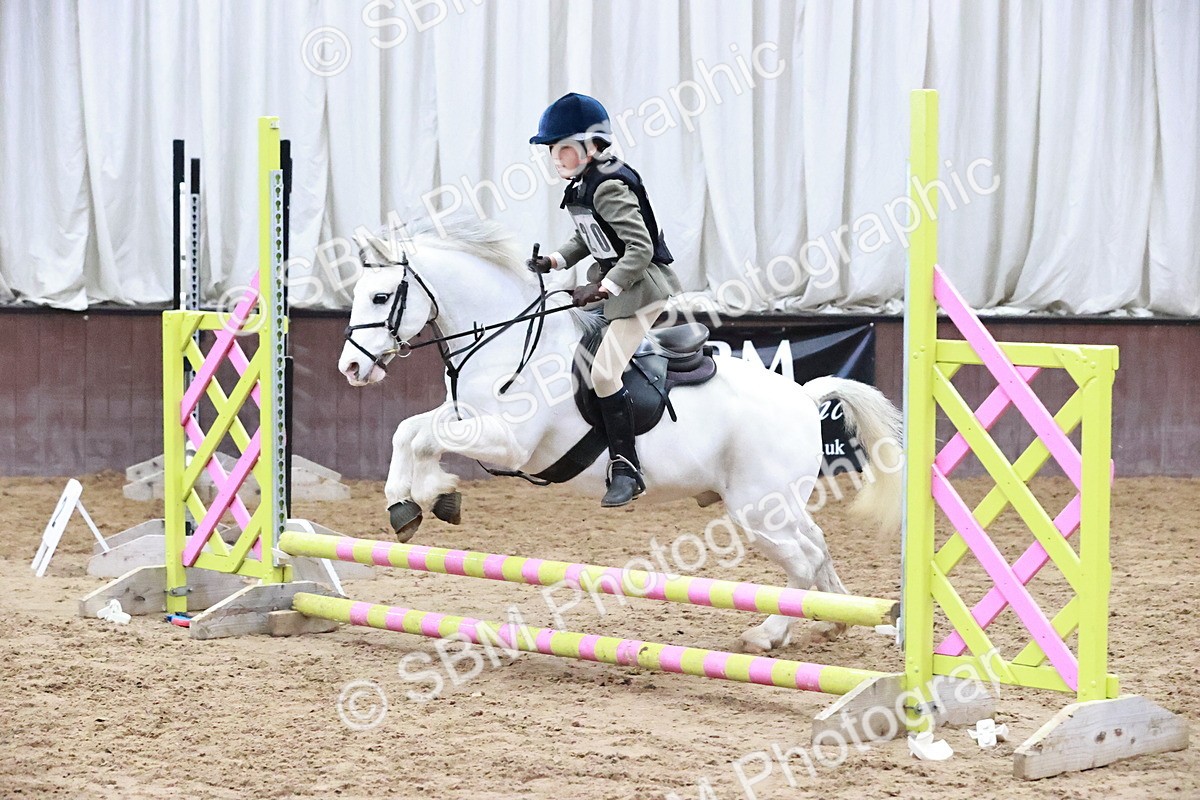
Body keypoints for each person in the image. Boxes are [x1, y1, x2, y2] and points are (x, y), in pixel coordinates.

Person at [527, 92, 682, 508]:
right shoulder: (586, 184)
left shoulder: (609, 185)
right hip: (617, 286)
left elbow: (639, 248)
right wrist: (556, 259)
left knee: (603, 374)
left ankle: (626, 467)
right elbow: (590, 235)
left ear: (590, 146)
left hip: (641, 290)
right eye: (552, 150)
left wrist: (603, 288)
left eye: (560, 148)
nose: (554, 158)